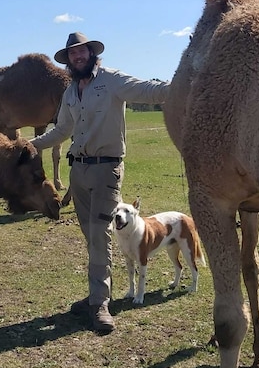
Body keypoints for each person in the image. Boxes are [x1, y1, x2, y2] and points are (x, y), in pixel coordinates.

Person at [29, 32, 170, 333]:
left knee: (99, 234)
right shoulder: (70, 93)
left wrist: (181, 87)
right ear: (68, 60)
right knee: (90, 235)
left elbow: (147, 90)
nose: (78, 57)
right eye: (72, 54)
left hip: (107, 170)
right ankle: (97, 292)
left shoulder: (111, 80)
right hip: (77, 171)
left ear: (91, 53)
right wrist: (32, 146)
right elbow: (62, 130)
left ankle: (100, 304)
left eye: (82, 52)